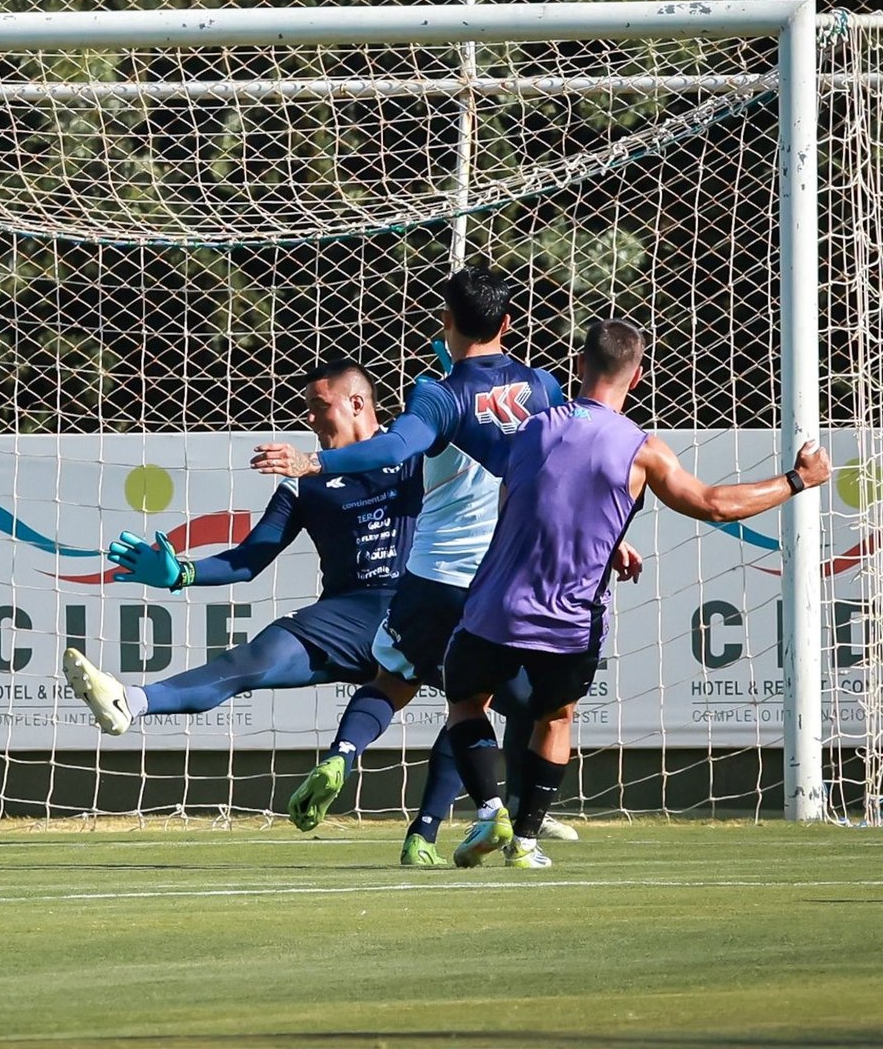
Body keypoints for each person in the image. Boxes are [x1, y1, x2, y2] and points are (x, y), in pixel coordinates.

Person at [251, 264, 609, 864]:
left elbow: (395, 446)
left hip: (436, 577)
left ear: (446, 324)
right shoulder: (545, 388)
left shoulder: (439, 395)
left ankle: (368, 767)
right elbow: (566, 466)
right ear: (508, 323)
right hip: (511, 575)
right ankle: (500, 829)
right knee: (508, 702)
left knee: (398, 680)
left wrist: (313, 463)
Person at [444, 317, 830, 869]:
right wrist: (799, 480)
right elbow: (715, 504)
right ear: (639, 375)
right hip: (571, 622)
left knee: (465, 703)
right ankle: (525, 843)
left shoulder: (535, 427)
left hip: (497, 609)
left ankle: (488, 811)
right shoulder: (643, 451)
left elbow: (526, 500)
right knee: (555, 719)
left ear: (578, 367)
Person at [63, 359, 467, 816]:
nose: (309, 419)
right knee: (246, 663)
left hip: (420, 610)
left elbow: (464, 437)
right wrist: (181, 574)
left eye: (319, 405)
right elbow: (249, 559)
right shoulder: (303, 485)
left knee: (509, 699)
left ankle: (521, 807)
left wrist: (464, 377)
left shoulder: (414, 455)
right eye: (307, 409)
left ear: (358, 403)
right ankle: (129, 702)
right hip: (343, 620)